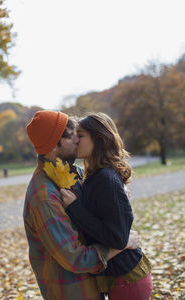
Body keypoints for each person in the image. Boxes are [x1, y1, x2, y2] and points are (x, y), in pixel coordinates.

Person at [23, 110, 140, 300]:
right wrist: (122, 245)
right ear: (54, 146)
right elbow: (75, 258)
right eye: (72, 136)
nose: (78, 139)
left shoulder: (73, 172)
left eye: (79, 135)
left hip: (96, 286)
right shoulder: (44, 196)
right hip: (71, 292)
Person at [61, 112, 153, 300]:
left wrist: (74, 208)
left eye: (81, 135)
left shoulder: (105, 179)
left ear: (99, 140)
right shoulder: (95, 176)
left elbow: (117, 238)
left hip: (127, 279)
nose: (75, 140)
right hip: (118, 278)